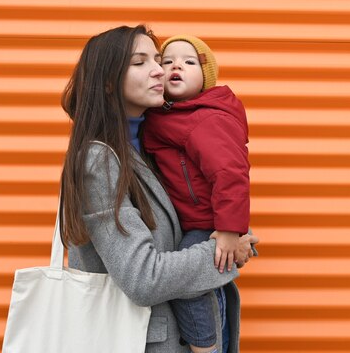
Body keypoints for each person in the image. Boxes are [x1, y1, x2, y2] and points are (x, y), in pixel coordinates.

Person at [60, 25, 258, 353]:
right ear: (108, 82)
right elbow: (143, 278)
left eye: (156, 59)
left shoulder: (154, 145)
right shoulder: (98, 161)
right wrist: (225, 253)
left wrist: (233, 230)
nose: (158, 70)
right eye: (140, 63)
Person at [142, 35, 251, 353]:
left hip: (208, 222)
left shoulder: (206, 118)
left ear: (206, 79)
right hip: (190, 221)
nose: (177, 65)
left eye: (190, 62)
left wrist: (230, 230)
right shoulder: (165, 116)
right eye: (168, 61)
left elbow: (230, 174)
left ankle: (205, 347)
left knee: (185, 284)